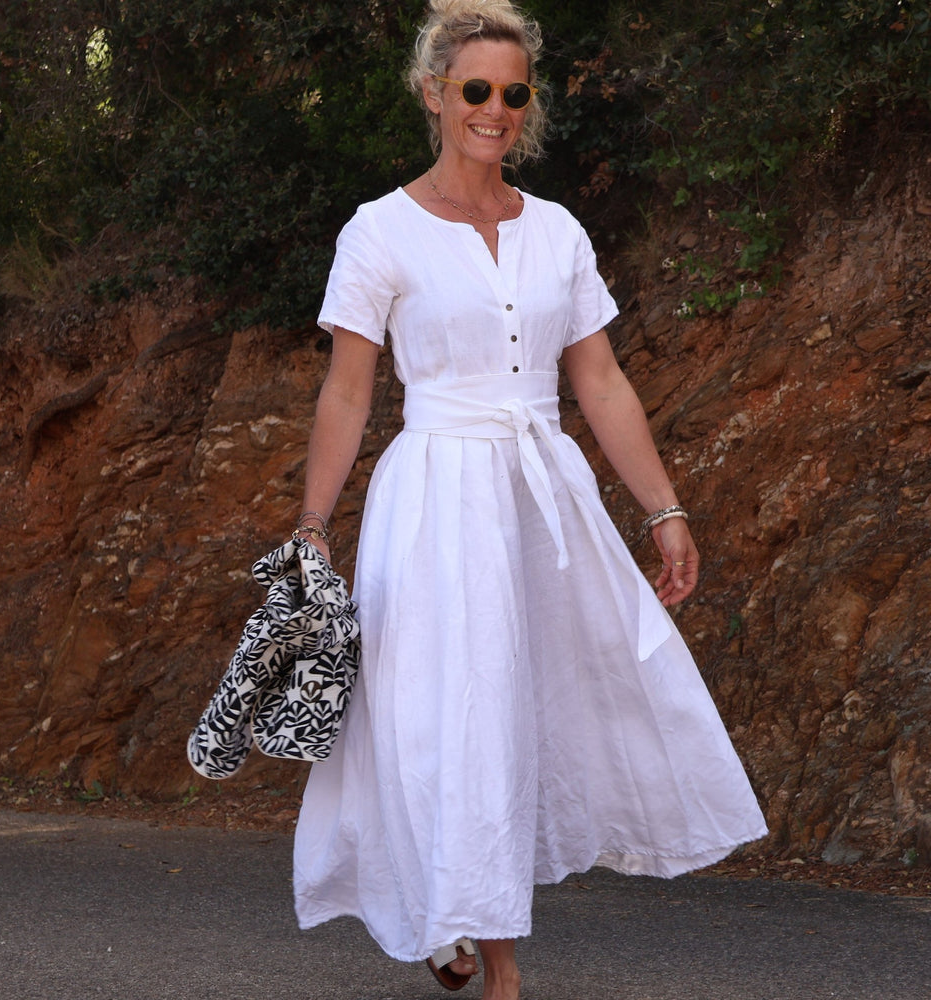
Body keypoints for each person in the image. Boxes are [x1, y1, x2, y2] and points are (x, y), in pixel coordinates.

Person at [290, 2, 768, 997]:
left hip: (543, 504)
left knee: (521, 716)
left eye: (514, 93)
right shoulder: (379, 230)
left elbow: (600, 381)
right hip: (434, 501)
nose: (495, 109)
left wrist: (664, 509)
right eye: (475, 89)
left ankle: (456, 908)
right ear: (434, 94)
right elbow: (347, 391)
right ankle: (494, 963)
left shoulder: (556, 230)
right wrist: (312, 526)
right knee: (447, 721)